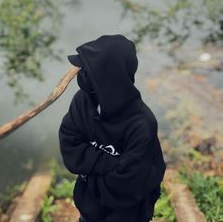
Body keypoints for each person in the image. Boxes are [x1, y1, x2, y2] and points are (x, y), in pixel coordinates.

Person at [58, 34, 166, 222]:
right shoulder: (82, 101)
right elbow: (69, 144)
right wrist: (112, 163)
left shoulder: (142, 124)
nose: (81, 73)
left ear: (105, 77)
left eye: (87, 70)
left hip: (129, 212)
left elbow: (130, 183)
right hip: (89, 208)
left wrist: (89, 171)